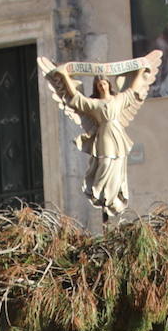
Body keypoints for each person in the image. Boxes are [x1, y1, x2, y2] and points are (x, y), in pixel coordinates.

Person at [55, 67, 155, 221]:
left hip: (118, 135)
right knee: (106, 162)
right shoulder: (94, 104)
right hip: (105, 136)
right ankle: (99, 192)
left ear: (108, 84)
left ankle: (112, 197)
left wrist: (141, 72)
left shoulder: (118, 99)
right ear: (97, 87)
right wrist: (64, 76)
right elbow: (76, 98)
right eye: (99, 85)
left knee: (118, 166)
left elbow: (133, 90)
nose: (102, 86)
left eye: (104, 83)